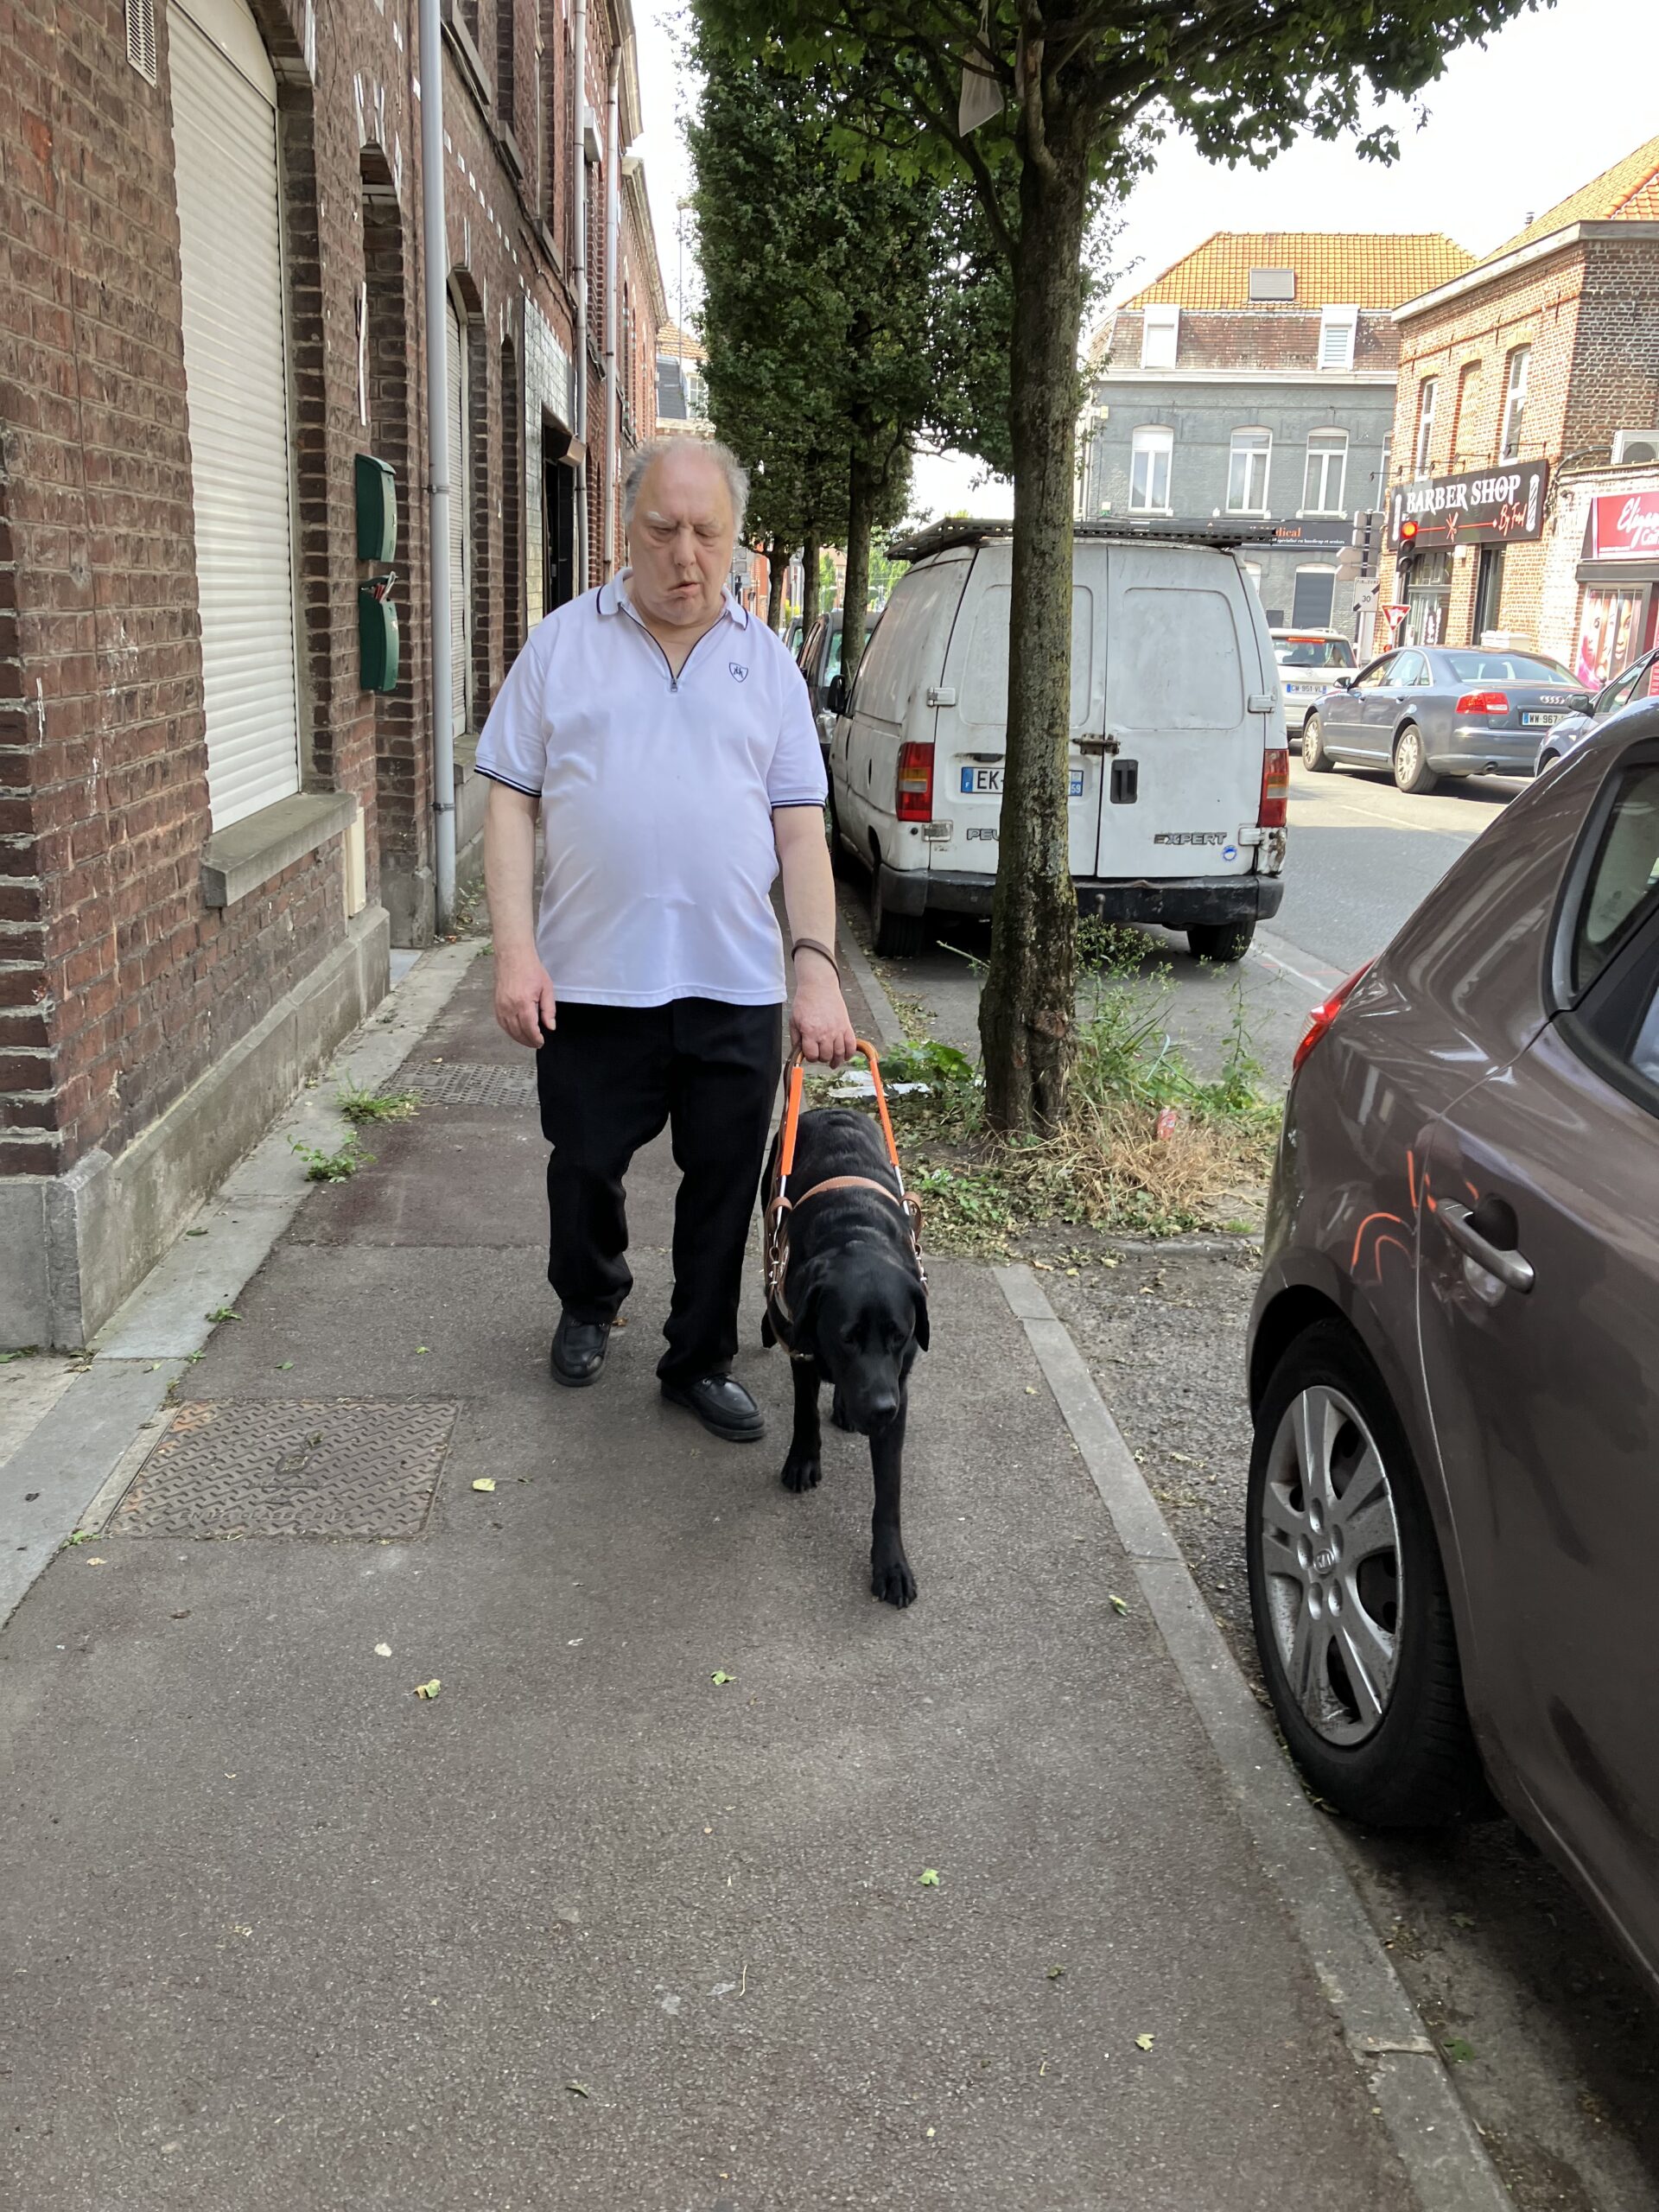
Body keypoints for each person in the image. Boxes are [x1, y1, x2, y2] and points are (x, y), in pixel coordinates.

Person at [477, 436, 856, 1442]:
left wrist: (813, 968)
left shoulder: (766, 665)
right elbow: (509, 799)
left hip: (733, 983)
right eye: (663, 529)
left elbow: (801, 829)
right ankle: (591, 1295)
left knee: (726, 1185)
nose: (686, 554)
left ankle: (697, 1357)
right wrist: (515, 951)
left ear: (735, 542)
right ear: (625, 527)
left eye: (709, 533)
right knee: (584, 1162)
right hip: (593, 981)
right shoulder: (562, 645)